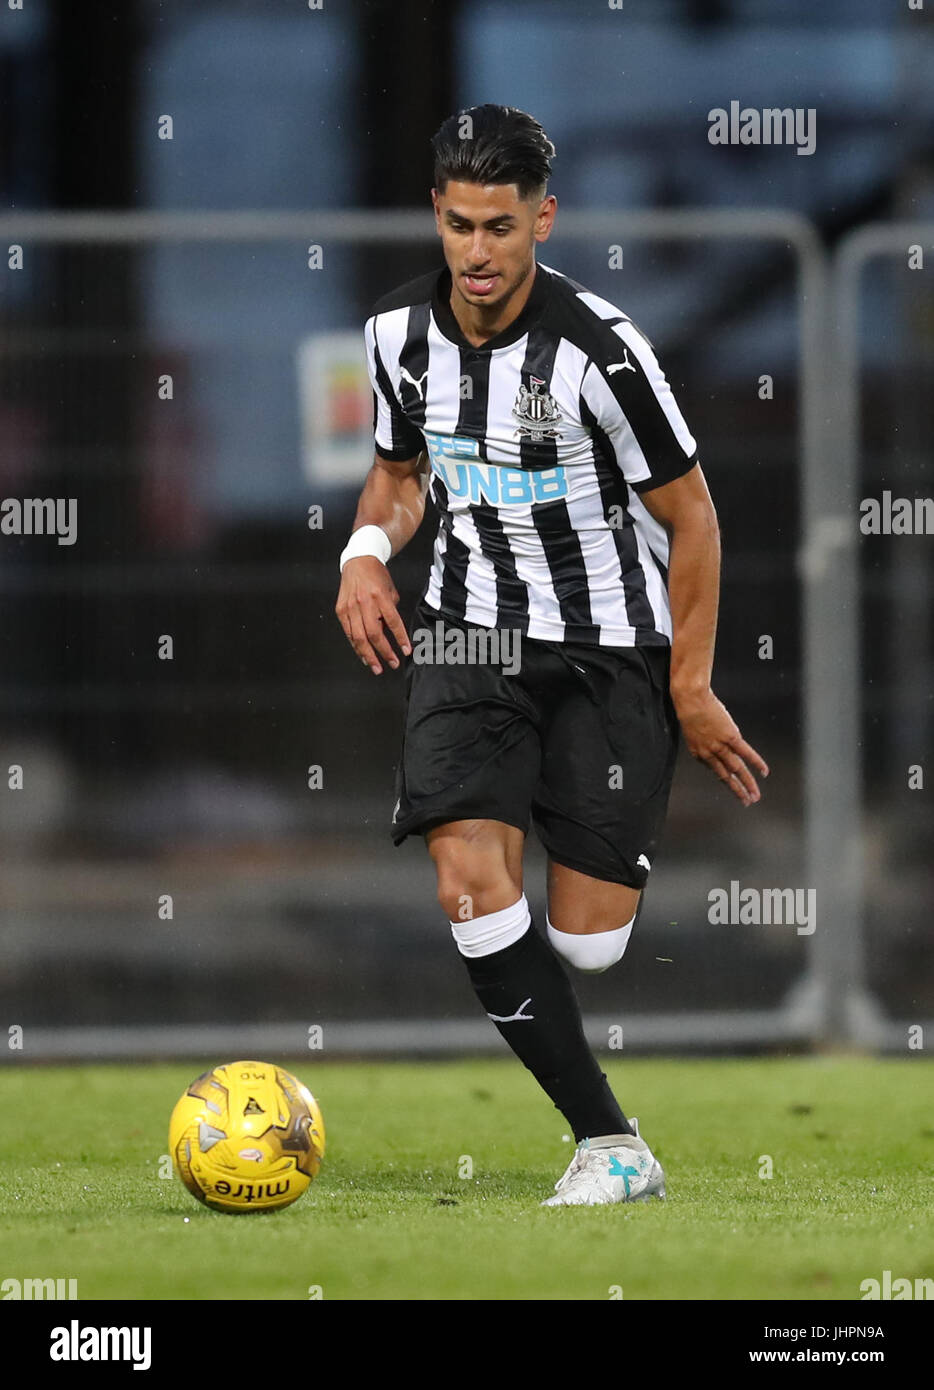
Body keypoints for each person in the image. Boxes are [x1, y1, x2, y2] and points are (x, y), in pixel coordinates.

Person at [335, 104, 768, 1205]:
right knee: (468, 879)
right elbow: (399, 474)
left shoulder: (601, 353)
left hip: (604, 648)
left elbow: (694, 516)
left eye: (501, 227)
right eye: (459, 225)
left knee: (586, 946)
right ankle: (609, 1143)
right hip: (470, 630)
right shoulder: (394, 336)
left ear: (544, 219)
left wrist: (692, 685)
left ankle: (579, 939)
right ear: (436, 212)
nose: (478, 252)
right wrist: (363, 551)